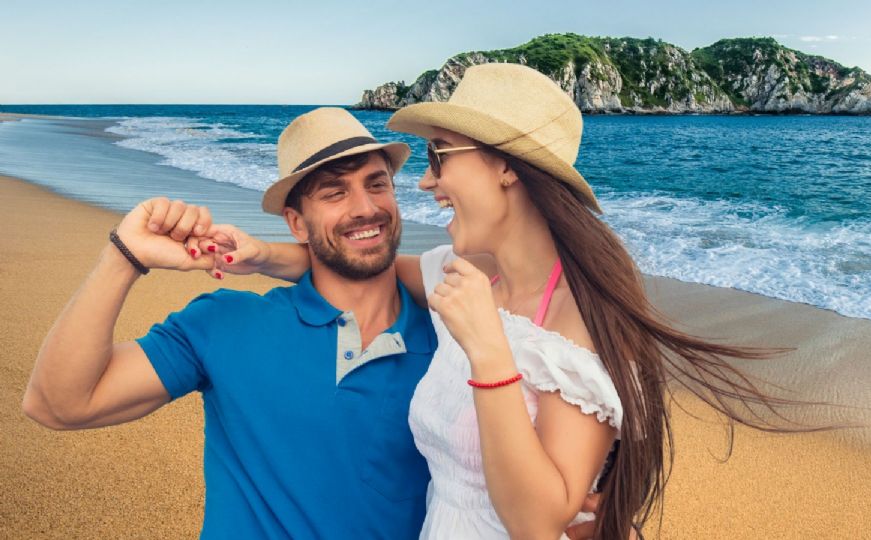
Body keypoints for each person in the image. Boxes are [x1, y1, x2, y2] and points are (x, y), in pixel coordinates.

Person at [205, 64, 797, 539]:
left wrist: (491, 356)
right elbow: (374, 268)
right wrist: (264, 256)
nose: (425, 181)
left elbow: (538, 525)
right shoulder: (473, 279)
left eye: (440, 155)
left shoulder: (574, 325)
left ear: (506, 168)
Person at [21, 107, 438, 538]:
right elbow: (58, 404)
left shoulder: (453, 339)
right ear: (296, 223)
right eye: (334, 193)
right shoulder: (225, 323)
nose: (366, 208)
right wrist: (124, 257)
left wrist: (270, 256)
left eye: (377, 185)